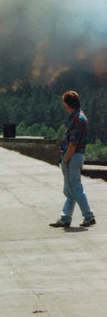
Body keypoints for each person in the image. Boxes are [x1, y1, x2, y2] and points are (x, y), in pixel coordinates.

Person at [49, 90, 96, 228]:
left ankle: (88, 216)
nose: (64, 105)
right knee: (71, 190)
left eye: (64, 102)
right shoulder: (78, 116)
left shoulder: (77, 119)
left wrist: (65, 159)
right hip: (75, 156)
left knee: (75, 188)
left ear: (68, 103)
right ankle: (66, 218)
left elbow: (73, 143)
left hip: (72, 157)